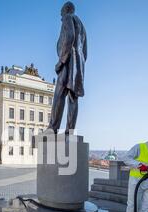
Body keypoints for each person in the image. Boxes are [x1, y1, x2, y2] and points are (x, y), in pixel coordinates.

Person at [48, 1, 87, 134]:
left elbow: (69, 37)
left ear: (66, 10)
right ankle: (70, 131)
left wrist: (62, 60)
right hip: (78, 65)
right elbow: (85, 52)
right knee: (73, 97)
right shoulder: (82, 26)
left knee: (59, 94)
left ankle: (53, 129)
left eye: (61, 13)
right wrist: (79, 65)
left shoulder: (68, 18)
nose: (60, 16)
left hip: (68, 62)